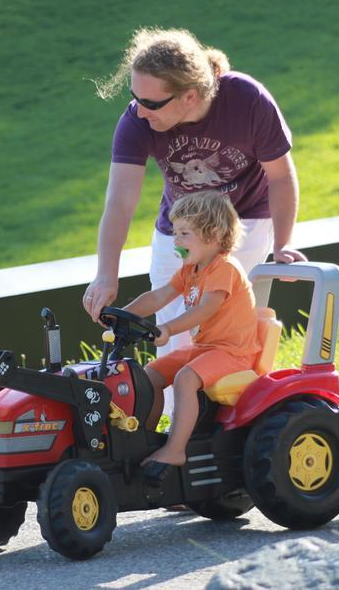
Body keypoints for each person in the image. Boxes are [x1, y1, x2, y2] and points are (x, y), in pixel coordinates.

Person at [83, 27, 306, 414]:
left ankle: (229, 423)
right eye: (134, 97)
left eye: (151, 102)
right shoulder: (137, 121)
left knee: (227, 330)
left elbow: (281, 176)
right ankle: (174, 430)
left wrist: (283, 244)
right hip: (178, 232)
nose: (139, 110)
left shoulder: (247, 100)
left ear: (189, 95)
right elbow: (119, 202)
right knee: (169, 340)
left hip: (245, 224)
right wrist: (106, 273)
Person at [119, 192, 261, 475]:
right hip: (207, 348)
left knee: (185, 379)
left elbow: (205, 310)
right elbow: (159, 296)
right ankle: (146, 439)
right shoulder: (190, 270)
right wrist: (122, 314)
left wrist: (169, 329)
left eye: (185, 233)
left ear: (215, 233)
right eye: (175, 233)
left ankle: (175, 449)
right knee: (150, 375)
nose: (177, 241)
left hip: (233, 352)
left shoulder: (225, 269)